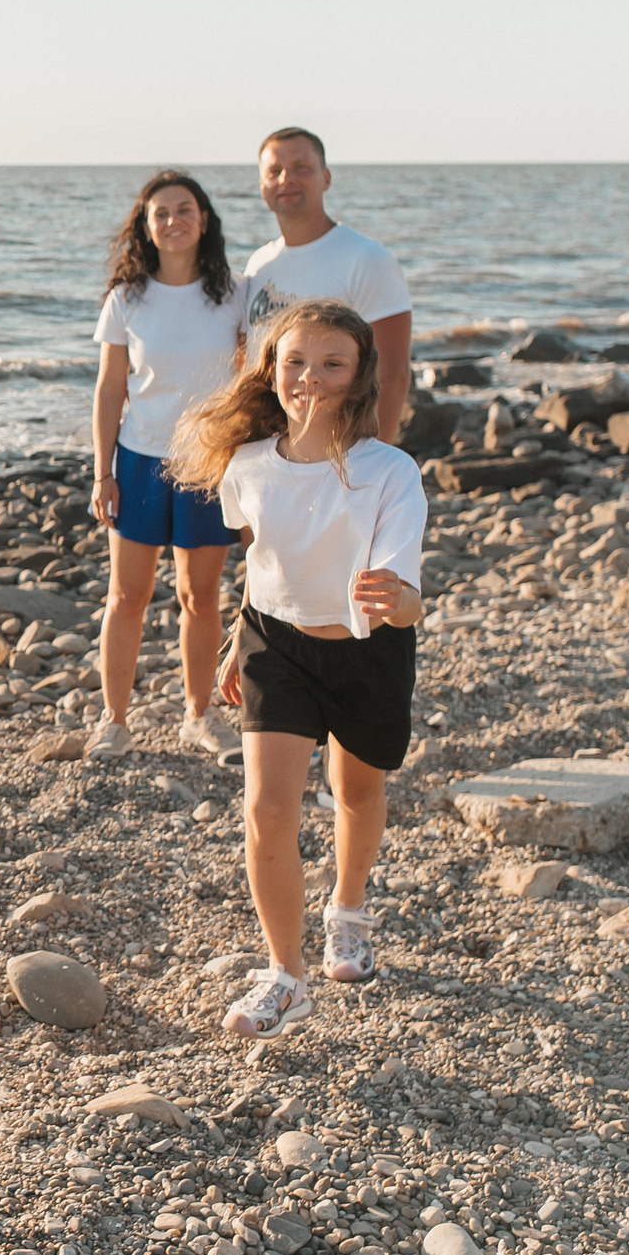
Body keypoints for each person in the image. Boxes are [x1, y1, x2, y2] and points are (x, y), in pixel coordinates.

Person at [166, 300, 424, 1038]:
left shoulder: (390, 472)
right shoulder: (246, 467)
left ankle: (347, 907)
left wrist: (397, 597)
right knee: (266, 808)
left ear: (359, 377)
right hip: (274, 646)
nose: (310, 377)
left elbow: (408, 606)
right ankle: (287, 973)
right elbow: (262, 558)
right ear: (271, 370)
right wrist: (236, 640)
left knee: (355, 788)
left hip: (369, 648)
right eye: (295, 362)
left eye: (331, 363)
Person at [88, 169, 245, 761]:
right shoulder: (127, 299)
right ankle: (114, 720)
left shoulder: (236, 293)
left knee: (200, 597)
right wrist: (103, 472)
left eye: (185, 210)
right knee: (127, 596)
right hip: (140, 461)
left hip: (210, 463)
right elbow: (109, 389)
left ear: (203, 220)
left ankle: (200, 716)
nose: (174, 220)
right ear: (145, 227)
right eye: (161, 213)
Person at [241, 128, 413, 441]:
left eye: (301, 168)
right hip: (266, 446)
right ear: (262, 186)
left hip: (337, 449)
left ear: (326, 178)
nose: (286, 179)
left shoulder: (367, 259)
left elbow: (394, 373)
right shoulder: (259, 264)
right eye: (274, 171)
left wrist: (377, 460)